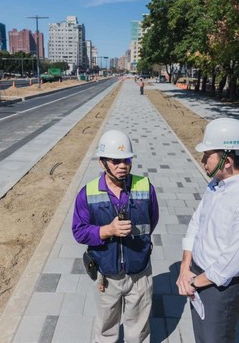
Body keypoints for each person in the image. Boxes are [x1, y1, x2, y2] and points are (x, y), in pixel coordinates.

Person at [176, 118, 239, 343]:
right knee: (201, 337)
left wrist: (193, 283)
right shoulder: (215, 186)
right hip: (197, 275)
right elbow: (196, 223)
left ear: (226, 160)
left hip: (218, 289)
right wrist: (185, 267)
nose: (203, 160)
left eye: (208, 155)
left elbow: (232, 261)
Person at [72, 130, 159, 342]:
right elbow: (79, 231)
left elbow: (152, 220)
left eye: (127, 159)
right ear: (102, 163)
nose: (123, 165)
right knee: (105, 329)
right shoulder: (87, 193)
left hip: (139, 274)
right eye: (116, 160)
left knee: (138, 330)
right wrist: (107, 231)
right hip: (106, 275)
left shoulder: (146, 187)